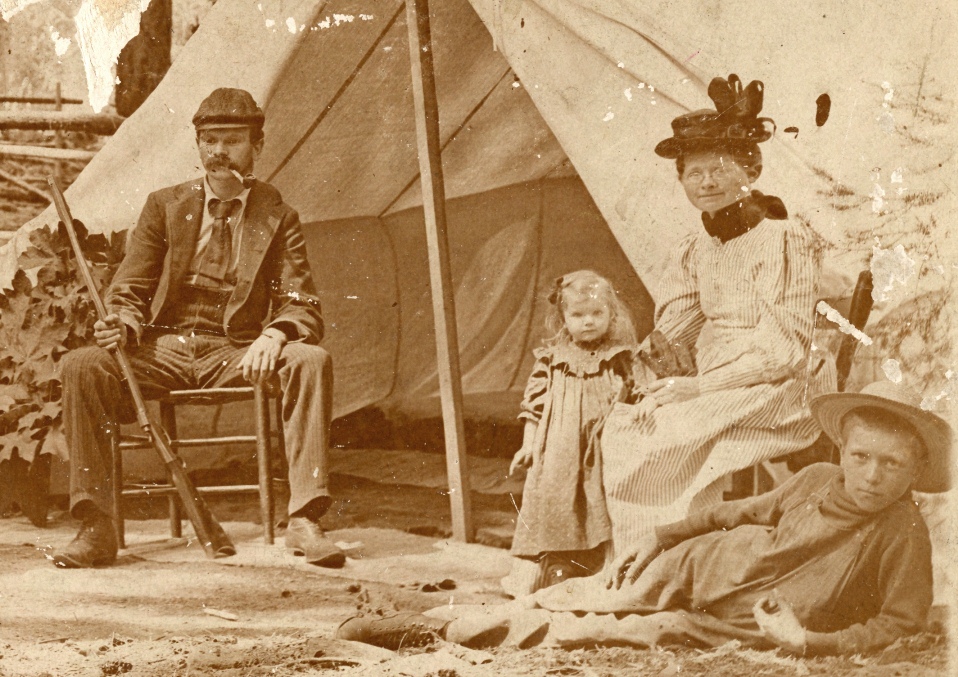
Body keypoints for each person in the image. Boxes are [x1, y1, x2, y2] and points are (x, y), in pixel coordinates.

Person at [336, 380, 951, 656]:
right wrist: (662, 534)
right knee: (597, 592)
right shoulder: (817, 479)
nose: (871, 476)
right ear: (842, 451)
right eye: (861, 456)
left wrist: (810, 640)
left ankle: (444, 633)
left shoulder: (901, 531)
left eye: (891, 465)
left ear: (914, 472)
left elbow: (899, 622)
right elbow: (737, 511)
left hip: (755, 622)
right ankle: (434, 614)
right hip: (705, 567)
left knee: (627, 630)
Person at [51, 88, 344, 569]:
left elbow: (302, 303)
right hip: (163, 348)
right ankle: (96, 525)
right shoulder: (165, 206)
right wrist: (123, 321)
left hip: (234, 351)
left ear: (257, 145)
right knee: (82, 365)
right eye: (209, 140)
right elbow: (131, 286)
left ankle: (305, 519)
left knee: (310, 360)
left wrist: (275, 335)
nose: (218, 152)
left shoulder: (277, 215)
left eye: (231, 140)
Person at [598, 74, 835, 548]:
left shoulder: (785, 239)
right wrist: (643, 367)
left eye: (719, 169)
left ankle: (682, 551)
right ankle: (647, 557)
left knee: (674, 430)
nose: (706, 182)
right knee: (625, 423)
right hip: (714, 368)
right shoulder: (694, 247)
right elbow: (677, 324)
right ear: (681, 179)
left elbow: (785, 349)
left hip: (781, 379)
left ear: (749, 172)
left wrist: (698, 387)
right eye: (693, 173)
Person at [502, 271, 637, 596]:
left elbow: (636, 393)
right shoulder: (552, 360)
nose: (588, 321)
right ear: (563, 318)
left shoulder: (620, 357)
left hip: (603, 447)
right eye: (578, 315)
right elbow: (533, 407)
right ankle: (555, 566)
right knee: (557, 502)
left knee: (601, 502)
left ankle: (603, 568)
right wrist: (528, 445)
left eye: (596, 313)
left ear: (611, 314)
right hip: (560, 449)